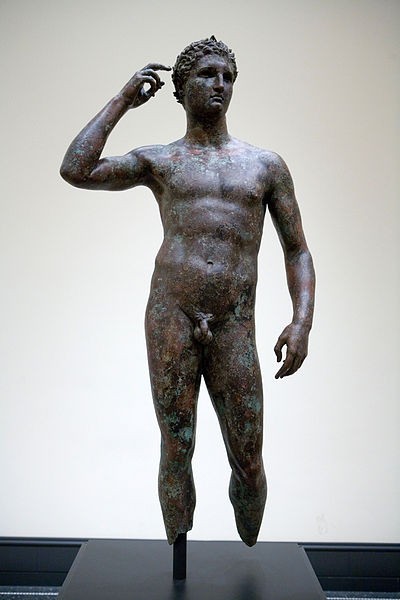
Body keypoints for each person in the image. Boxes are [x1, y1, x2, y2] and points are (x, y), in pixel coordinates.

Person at [60, 36, 315, 547]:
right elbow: (76, 169)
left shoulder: (265, 166)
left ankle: (247, 539)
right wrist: (122, 101)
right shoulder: (161, 161)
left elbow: (297, 250)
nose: (219, 84)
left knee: (248, 457)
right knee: (177, 446)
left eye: (228, 76)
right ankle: (178, 541)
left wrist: (302, 320)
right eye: (207, 74)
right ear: (180, 88)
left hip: (234, 320)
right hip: (171, 313)